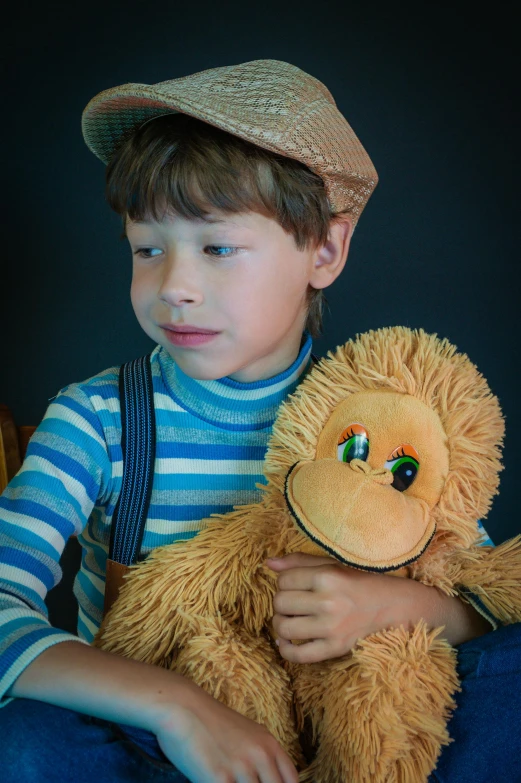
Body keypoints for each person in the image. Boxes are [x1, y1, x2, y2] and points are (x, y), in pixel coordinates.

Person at [0, 59, 518, 783]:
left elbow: (491, 602)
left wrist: (389, 604)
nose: (174, 287)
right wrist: (179, 707)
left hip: (346, 744)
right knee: (21, 741)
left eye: (217, 248)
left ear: (325, 250)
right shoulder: (100, 420)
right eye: (147, 248)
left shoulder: (379, 415)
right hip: (152, 751)